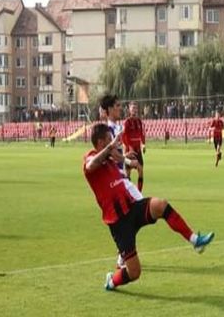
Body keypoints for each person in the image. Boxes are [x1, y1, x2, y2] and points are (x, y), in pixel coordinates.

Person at [83, 122, 214, 291]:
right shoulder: (90, 157)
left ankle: (194, 239)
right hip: (118, 222)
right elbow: (90, 165)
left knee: (161, 205)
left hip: (132, 207)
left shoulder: (110, 157)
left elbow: (121, 160)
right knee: (134, 272)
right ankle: (112, 281)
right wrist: (111, 148)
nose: (113, 142)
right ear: (101, 142)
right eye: (109, 139)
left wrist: (127, 160)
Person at [122, 101, 146, 188]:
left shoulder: (139, 122)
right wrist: (128, 147)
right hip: (130, 151)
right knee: (128, 172)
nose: (134, 110)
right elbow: (124, 136)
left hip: (138, 150)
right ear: (129, 110)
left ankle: (139, 193)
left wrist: (143, 144)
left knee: (141, 170)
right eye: (133, 108)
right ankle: (128, 192)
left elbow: (142, 134)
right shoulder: (127, 122)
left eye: (136, 108)